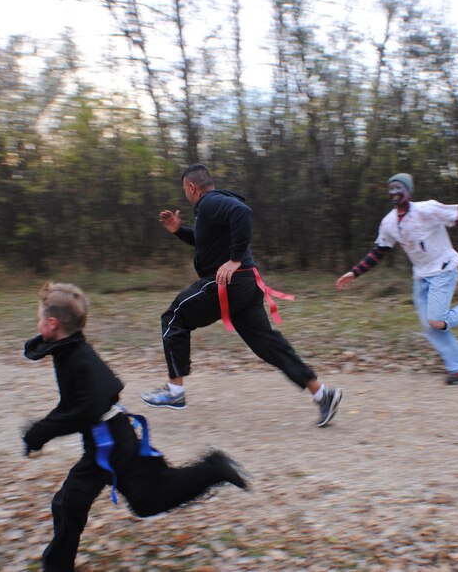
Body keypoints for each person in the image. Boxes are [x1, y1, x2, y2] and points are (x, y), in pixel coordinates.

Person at [22, 282, 249, 572]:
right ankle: (57, 565)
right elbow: (76, 405)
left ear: (53, 323)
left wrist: (38, 433)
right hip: (110, 439)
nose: (38, 324)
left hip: (111, 443)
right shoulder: (70, 350)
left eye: (41, 319)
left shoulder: (77, 357)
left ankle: (213, 469)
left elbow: (83, 411)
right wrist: (41, 432)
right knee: (77, 503)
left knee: (124, 501)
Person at [139, 163, 342, 427]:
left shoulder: (210, 203)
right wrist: (179, 231)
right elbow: (208, 243)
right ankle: (322, 393)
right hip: (246, 286)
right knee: (267, 344)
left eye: (184, 190)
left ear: (192, 187)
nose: (185, 196)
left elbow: (242, 213)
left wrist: (234, 260)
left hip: (227, 283)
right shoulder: (214, 205)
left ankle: (175, 391)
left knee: (173, 318)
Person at [336, 173, 458, 384]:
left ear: (408, 191)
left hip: (444, 269)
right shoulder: (389, 222)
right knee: (430, 326)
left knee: (436, 321)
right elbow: (379, 251)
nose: (394, 192)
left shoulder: (426, 209)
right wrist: (354, 272)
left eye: (399, 188)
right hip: (421, 276)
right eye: (391, 188)